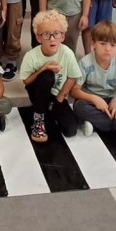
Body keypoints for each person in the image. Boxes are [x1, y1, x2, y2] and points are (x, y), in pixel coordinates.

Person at [20, 9, 81, 143]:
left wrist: (60, 97)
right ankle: (38, 117)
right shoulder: (31, 56)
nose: (52, 38)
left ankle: (48, 109)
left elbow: (73, 77)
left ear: (62, 36)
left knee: (71, 130)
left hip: (56, 95)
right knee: (47, 76)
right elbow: (26, 81)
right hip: (37, 92)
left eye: (56, 34)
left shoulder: (67, 53)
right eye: (46, 34)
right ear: (39, 38)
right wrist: (43, 69)